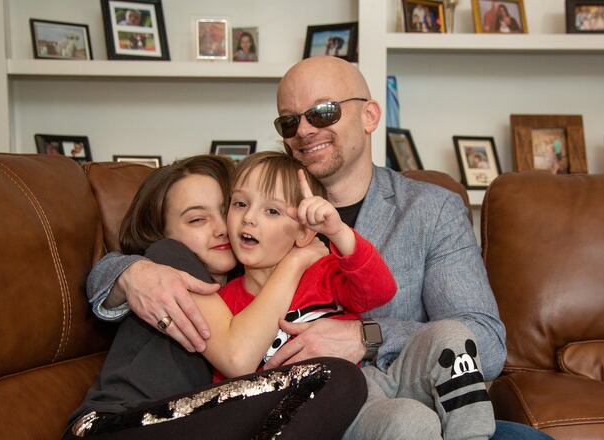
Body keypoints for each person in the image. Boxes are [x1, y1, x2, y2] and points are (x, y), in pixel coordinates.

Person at [85, 56, 551, 439]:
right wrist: (129, 272)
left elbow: (484, 341)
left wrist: (364, 337)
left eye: (324, 112)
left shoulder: (432, 210)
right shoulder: (260, 205)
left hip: (415, 398)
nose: (305, 129)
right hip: (311, 418)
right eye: (290, 120)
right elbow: (176, 230)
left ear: (370, 115)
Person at [67, 155, 366, 439]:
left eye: (229, 209)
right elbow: (237, 358)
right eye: (197, 219)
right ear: (163, 234)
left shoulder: (249, 282)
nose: (222, 228)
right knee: (333, 379)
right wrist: (296, 261)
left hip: (191, 421)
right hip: (112, 426)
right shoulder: (171, 258)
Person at [218, 151, 495, 438]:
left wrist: (339, 233)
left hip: (374, 378)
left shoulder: (323, 271)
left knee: (452, 336)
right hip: (331, 412)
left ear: (304, 233)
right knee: (412, 421)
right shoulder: (225, 304)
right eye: (240, 204)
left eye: (271, 211)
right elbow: (225, 391)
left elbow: (379, 290)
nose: (248, 218)